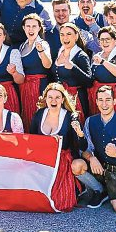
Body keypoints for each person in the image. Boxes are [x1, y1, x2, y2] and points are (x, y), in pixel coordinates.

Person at [76, 85, 116, 213]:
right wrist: (91, 158)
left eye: (108, 99)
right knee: (77, 165)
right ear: (96, 102)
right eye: (101, 100)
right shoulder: (90, 121)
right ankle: (100, 190)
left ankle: (114, 190)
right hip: (99, 167)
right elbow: (85, 149)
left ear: (114, 101)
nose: (104, 104)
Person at [30, 83, 86, 212]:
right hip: (43, 158)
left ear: (63, 99)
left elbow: (83, 146)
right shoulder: (39, 115)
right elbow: (32, 140)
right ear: (45, 99)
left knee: (59, 200)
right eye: (50, 97)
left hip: (62, 159)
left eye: (57, 97)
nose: (53, 101)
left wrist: (80, 134)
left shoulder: (71, 116)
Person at [17, 14, 52, 132]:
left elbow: (47, 64)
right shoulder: (23, 46)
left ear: (39, 28)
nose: (30, 29)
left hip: (38, 86)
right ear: (24, 28)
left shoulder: (43, 44)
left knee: (38, 116)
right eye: (28, 26)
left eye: (34, 26)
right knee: (26, 115)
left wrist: (41, 51)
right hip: (25, 87)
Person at [52, 23, 92, 124]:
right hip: (61, 100)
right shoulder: (59, 52)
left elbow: (89, 81)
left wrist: (73, 68)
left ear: (76, 36)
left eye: (69, 34)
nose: (65, 37)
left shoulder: (81, 56)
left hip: (76, 100)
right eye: (62, 34)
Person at [89, 27, 116, 118]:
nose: (104, 42)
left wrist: (103, 62)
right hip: (100, 96)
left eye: (107, 39)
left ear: (115, 40)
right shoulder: (98, 55)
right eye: (101, 40)